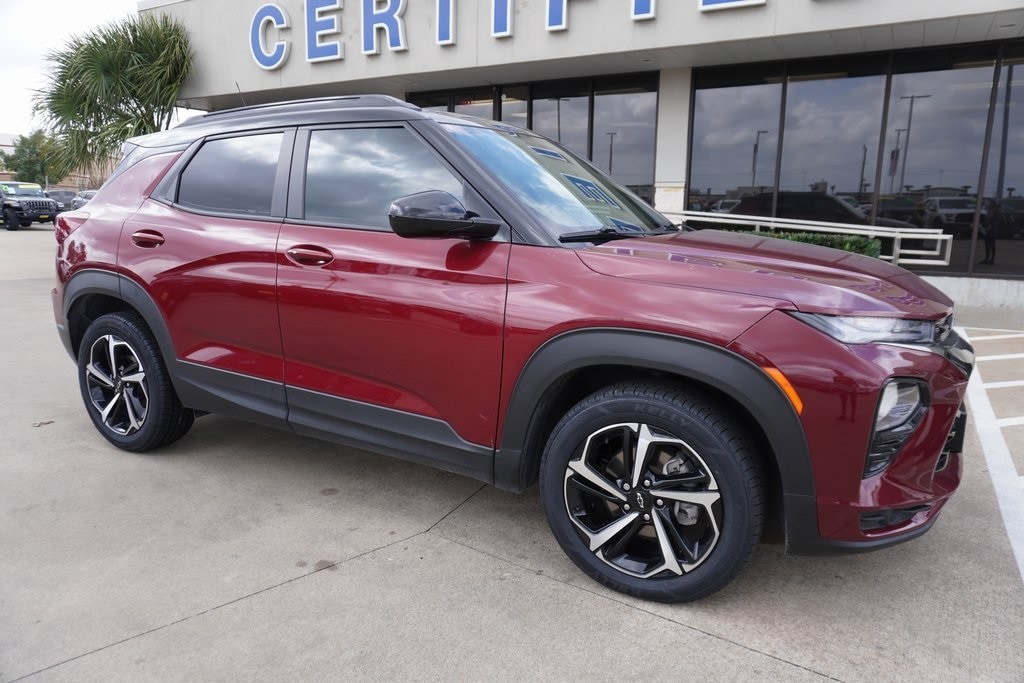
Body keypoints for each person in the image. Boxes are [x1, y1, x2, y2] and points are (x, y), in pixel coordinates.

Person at [979, 200, 1002, 266]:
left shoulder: (997, 211)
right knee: (987, 245)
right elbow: (987, 220)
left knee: (992, 245)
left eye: (991, 203)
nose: (989, 204)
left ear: (994, 204)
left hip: (993, 231)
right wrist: (983, 226)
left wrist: (990, 227)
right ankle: (986, 259)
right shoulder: (990, 211)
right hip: (987, 230)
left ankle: (992, 260)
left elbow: (997, 221)